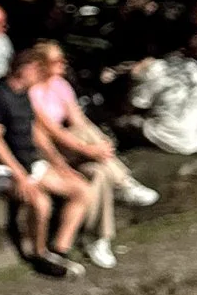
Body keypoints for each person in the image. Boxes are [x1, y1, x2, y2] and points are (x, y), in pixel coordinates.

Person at [29, 42, 155, 273]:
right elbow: (51, 131)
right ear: (42, 64)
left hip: (75, 146)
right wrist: (89, 150)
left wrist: (97, 147)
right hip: (53, 151)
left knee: (99, 171)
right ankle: (124, 181)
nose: (63, 65)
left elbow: (77, 118)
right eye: (57, 61)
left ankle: (98, 238)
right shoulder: (33, 92)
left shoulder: (60, 85)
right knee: (80, 137)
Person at [0, 49, 92, 278]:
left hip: (28, 162)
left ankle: (60, 248)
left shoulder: (24, 94)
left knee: (81, 190)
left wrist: (58, 163)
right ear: (25, 68)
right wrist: (18, 175)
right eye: (38, 70)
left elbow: (35, 132)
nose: (42, 75)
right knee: (40, 202)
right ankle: (39, 253)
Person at [126, 37, 197, 159]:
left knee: (125, 122)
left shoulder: (153, 70)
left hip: (177, 141)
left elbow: (137, 103)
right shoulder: (191, 67)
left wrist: (135, 75)